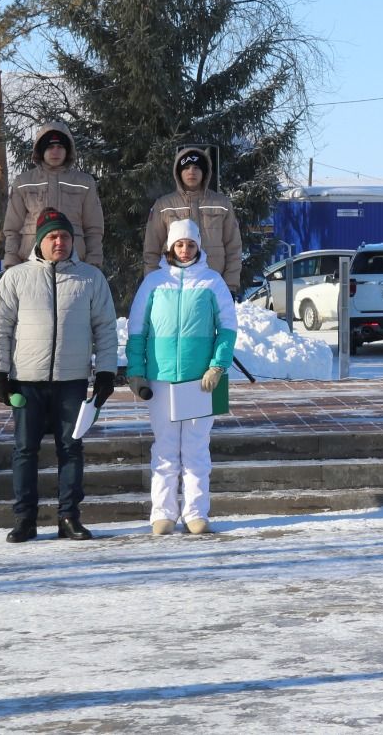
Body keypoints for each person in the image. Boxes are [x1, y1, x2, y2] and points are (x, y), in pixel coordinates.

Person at [0, 208, 118, 542]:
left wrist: (105, 372)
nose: (59, 242)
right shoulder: (16, 277)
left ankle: (69, 517)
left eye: (65, 236)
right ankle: (25, 520)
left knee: (71, 449)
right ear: (40, 242)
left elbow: (105, 329)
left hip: (71, 380)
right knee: (24, 450)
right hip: (26, 380)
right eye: (53, 237)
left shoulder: (90, 278)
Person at [124, 218, 236, 535]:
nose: (185, 250)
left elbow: (227, 327)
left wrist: (218, 366)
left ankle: (196, 512)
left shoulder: (212, 282)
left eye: (190, 244)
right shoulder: (154, 282)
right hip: (161, 378)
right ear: (170, 247)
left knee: (197, 449)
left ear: (199, 246)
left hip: (201, 380)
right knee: (165, 448)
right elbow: (136, 329)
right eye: (179, 244)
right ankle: (163, 513)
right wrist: (136, 370)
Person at [3, 121, 105, 268]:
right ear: (41, 150)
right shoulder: (23, 182)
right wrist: (11, 261)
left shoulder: (85, 182)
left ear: (68, 150)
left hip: (75, 263)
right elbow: (12, 228)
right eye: (50, 147)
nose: (55, 152)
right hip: (31, 264)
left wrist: (94, 262)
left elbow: (94, 228)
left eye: (60, 147)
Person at [142, 146, 243, 295]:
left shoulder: (222, 204)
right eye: (186, 167)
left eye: (196, 167)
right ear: (178, 172)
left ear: (204, 172)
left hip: (214, 287)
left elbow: (234, 248)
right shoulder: (163, 205)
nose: (191, 171)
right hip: (171, 288)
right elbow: (151, 250)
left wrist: (230, 286)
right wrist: (153, 285)